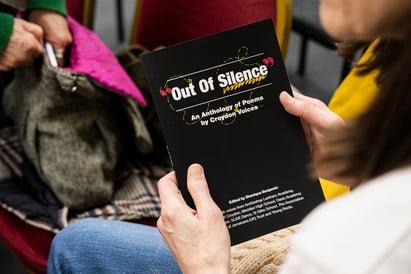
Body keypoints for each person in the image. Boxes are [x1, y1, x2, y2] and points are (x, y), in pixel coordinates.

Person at [47, 0, 411, 273]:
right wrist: (362, 170)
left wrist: (205, 267)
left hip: (300, 245)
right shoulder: (390, 51)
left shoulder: (355, 247)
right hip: (334, 209)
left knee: (75, 245)